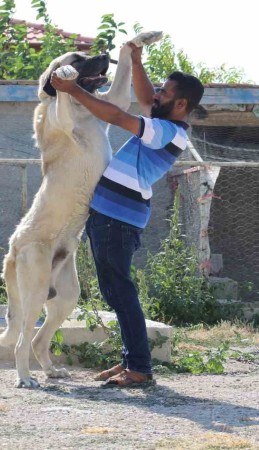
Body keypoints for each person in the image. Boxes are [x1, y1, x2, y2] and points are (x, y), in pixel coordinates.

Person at [51, 43, 205, 388]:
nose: (155, 96)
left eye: (164, 93)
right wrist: (135, 60)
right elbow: (145, 93)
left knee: (121, 293)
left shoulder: (166, 131)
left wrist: (72, 89)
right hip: (112, 218)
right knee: (117, 292)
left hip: (116, 220)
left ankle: (139, 368)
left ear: (180, 104)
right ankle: (132, 363)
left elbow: (118, 117)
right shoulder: (164, 120)